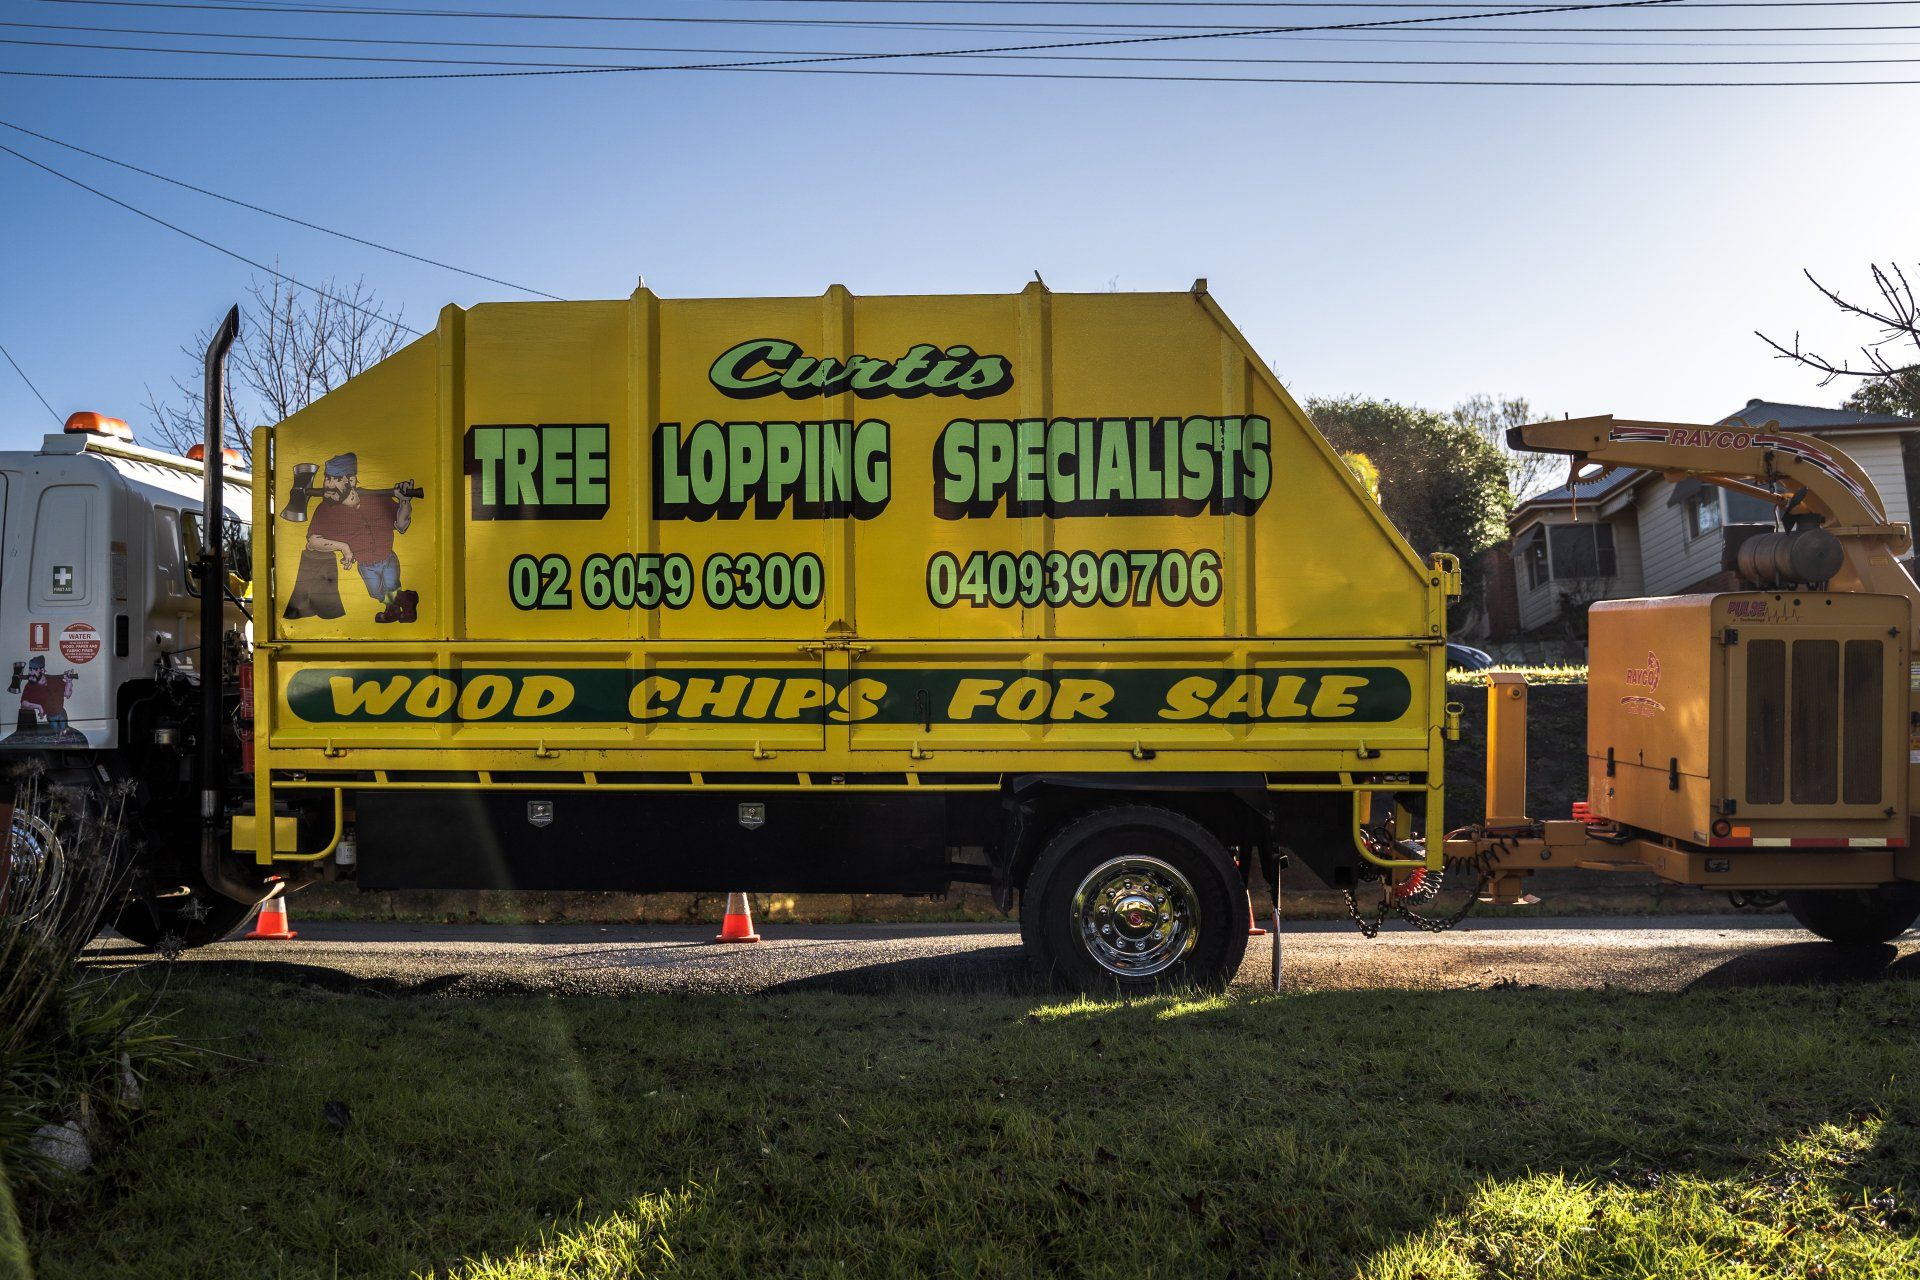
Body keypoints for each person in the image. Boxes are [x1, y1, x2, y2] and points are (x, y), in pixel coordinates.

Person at [304, 452, 417, 624]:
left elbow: (401, 525)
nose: (329, 484)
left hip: (387, 558)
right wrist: (343, 547)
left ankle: (402, 606)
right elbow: (313, 541)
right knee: (376, 592)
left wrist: (404, 501)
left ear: (352, 480)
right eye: (328, 478)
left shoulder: (377, 499)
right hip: (365, 564)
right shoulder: (326, 509)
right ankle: (403, 601)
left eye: (336, 479)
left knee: (392, 587)